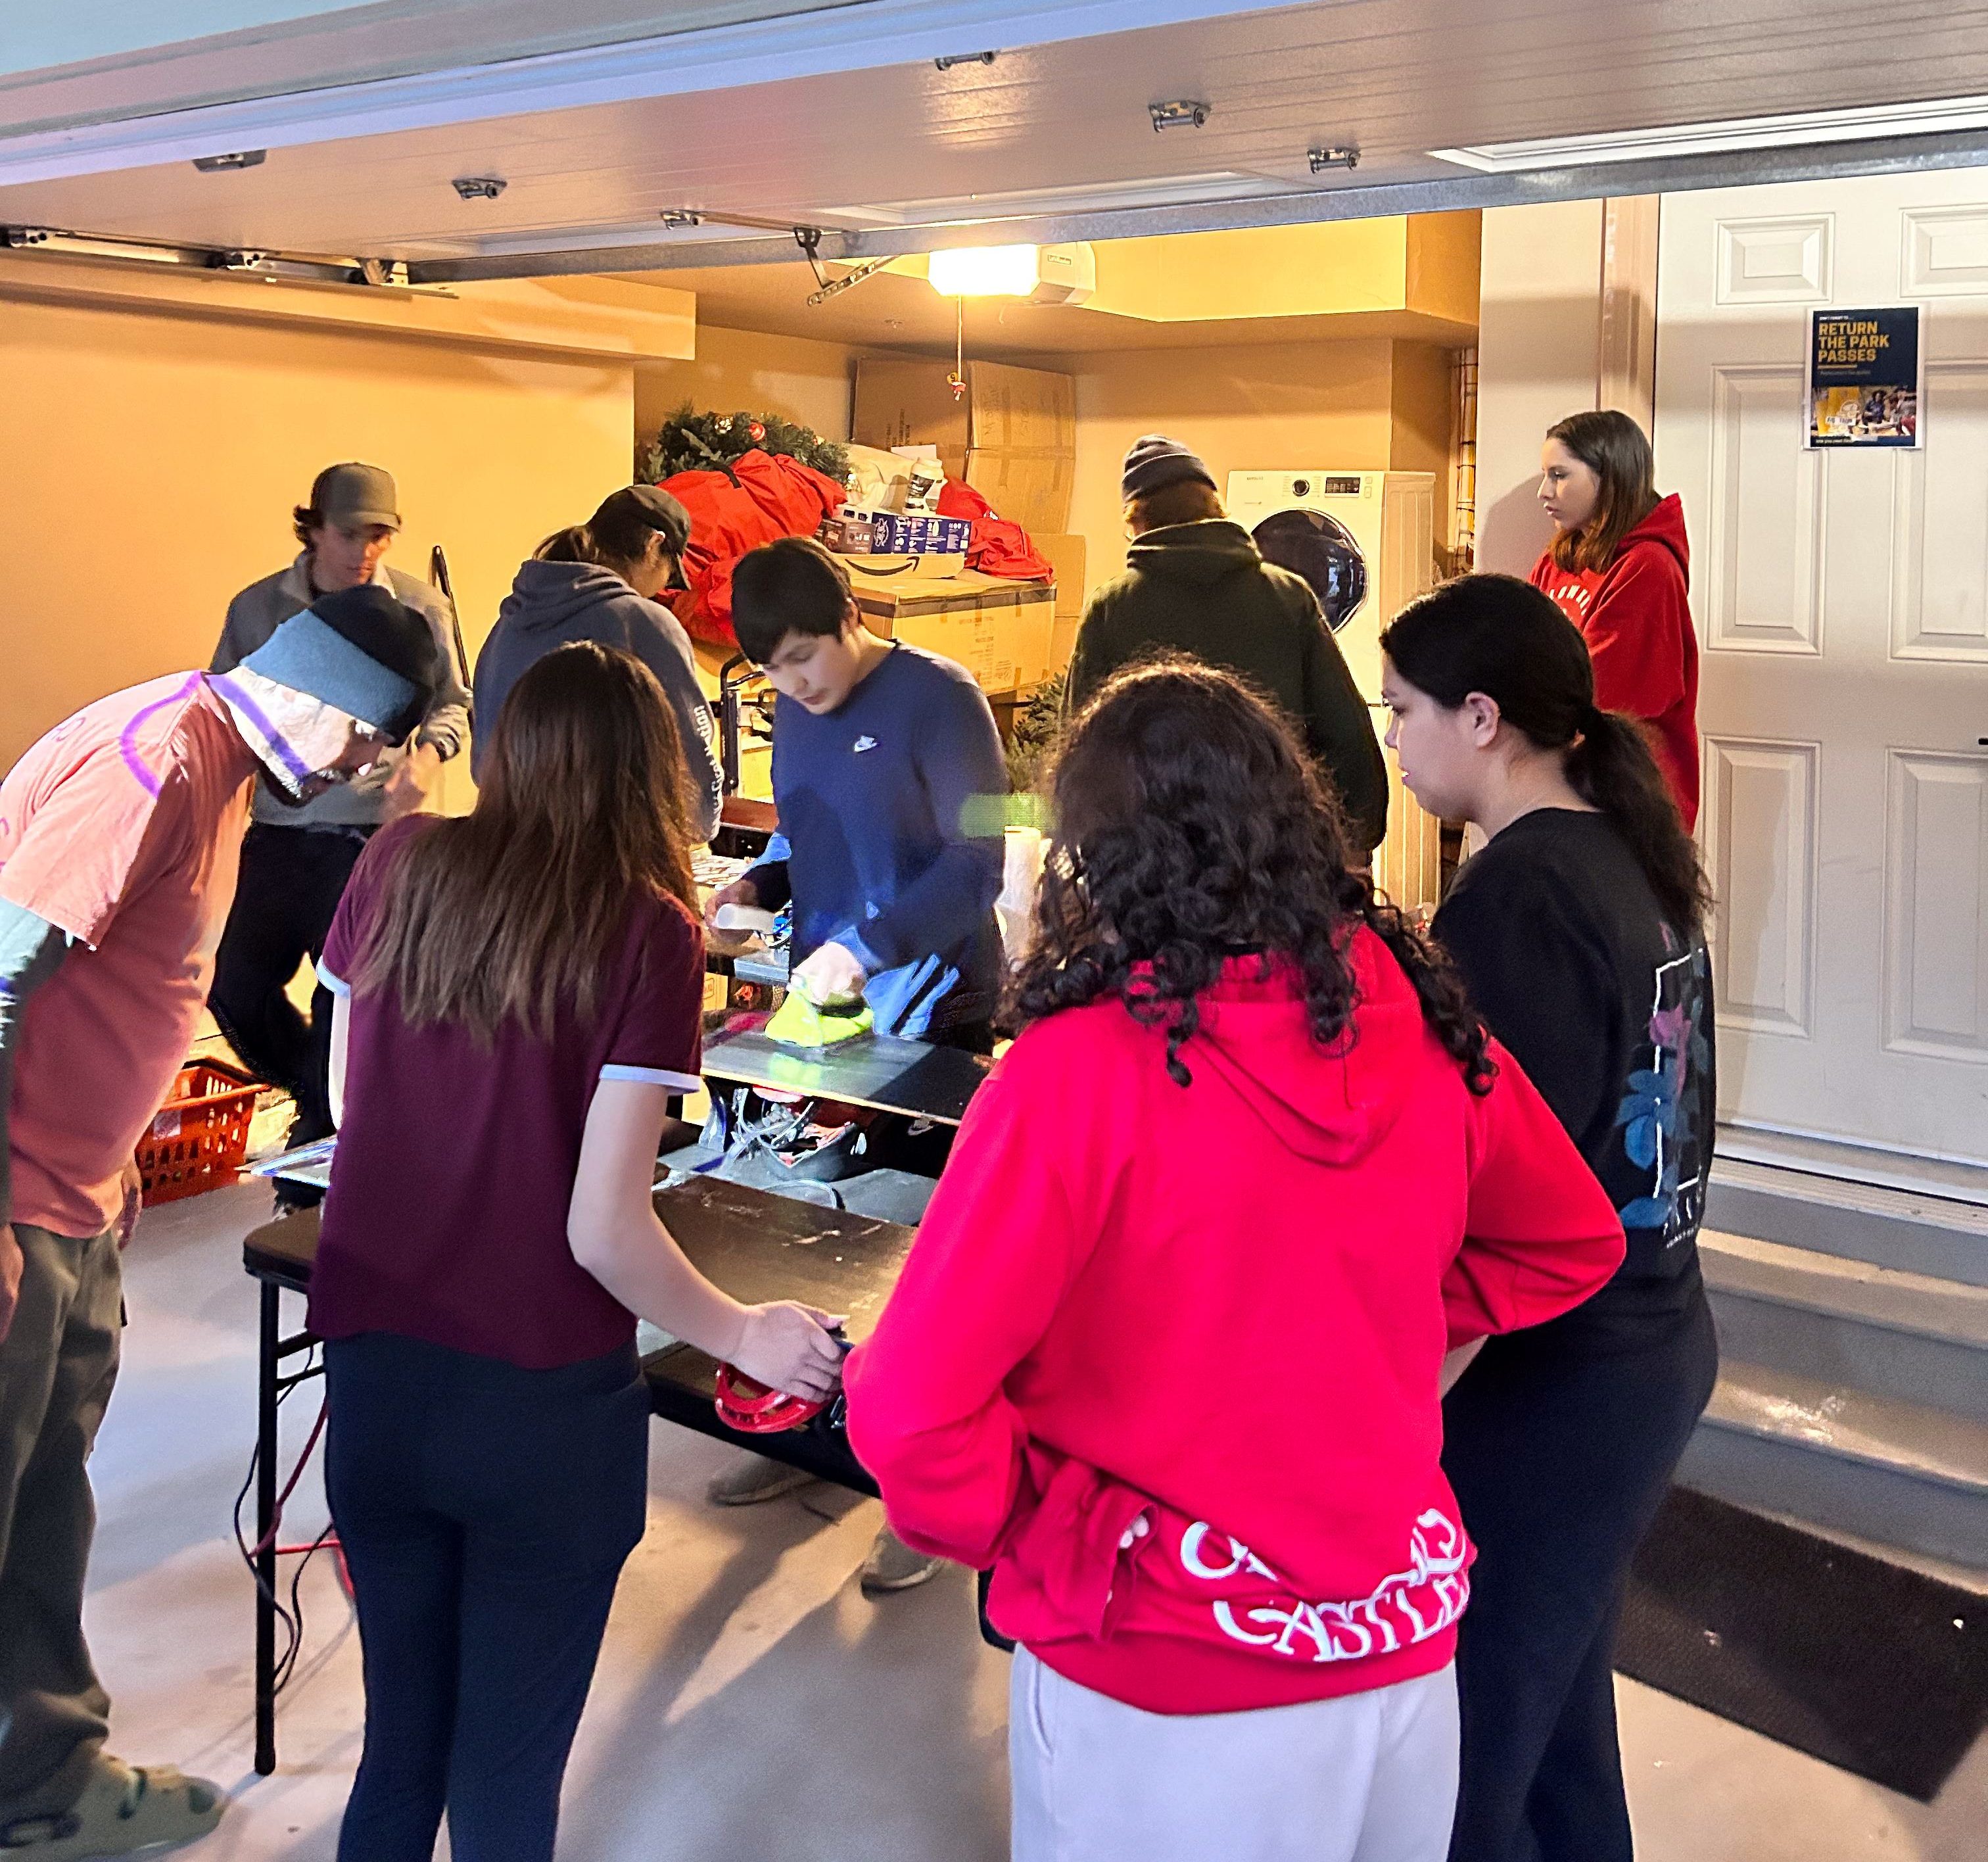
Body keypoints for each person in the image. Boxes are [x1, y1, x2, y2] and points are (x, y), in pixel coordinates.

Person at [845, 661, 1628, 1862]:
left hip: (1169, 1676)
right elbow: (1567, 1236)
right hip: (1400, 1654)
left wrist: (1039, 1527)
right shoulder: (1408, 1014)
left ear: (1098, 856)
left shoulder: (1080, 1069)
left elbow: (905, 1405)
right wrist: (1392, 1337)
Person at [310, 642, 844, 1862]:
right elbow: (602, 1229)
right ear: (652, 773)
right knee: (504, 1776)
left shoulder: (398, 859)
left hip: (376, 1380)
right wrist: (743, 1329)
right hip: (538, 1411)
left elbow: (349, 1104)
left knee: (400, 1749)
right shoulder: (646, 929)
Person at [0, 587, 448, 1859]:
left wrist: (114, 1141)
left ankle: (41, 1780)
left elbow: (111, 979)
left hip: (72, 1191)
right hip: (14, 1198)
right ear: (325, 698)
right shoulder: (151, 764)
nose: (370, 770)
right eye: (373, 742)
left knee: (42, 1503)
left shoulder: (222, 768)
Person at [1378, 575, 1720, 1862]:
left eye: (1404, 710)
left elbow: (1486, 1202)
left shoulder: (1519, 902)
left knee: (1467, 1747)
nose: (1393, 740)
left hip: (1560, 1378)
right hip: (1645, 1347)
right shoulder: (1620, 848)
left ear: (1482, 717)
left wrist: (1399, 1399)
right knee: (1557, 1723)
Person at [699, 535, 1006, 1591]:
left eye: (803, 660)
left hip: (935, 1002)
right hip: (830, 1007)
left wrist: (868, 946)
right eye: (773, 672)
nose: (794, 687)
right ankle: (812, 1436)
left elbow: (982, 861)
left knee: (920, 1268)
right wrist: (762, 889)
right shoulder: (796, 707)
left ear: (846, 621)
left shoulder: (941, 697)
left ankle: (921, 1498)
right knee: (813, 1242)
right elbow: (803, 833)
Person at [209, 462, 472, 1193]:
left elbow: (454, 703)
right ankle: (320, 1105)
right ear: (314, 528)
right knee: (231, 981)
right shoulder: (257, 608)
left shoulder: (420, 607)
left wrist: (428, 753)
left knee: (345, 995)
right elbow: (230, 710)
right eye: (350, 534)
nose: (365, 552)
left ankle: (323, 1145)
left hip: (372, 834)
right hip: (282, 826)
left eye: (380, 536)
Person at [1064, 434, 1388, 854]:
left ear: (1136, 522)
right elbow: (1344, 730)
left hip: (1155, 860)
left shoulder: (1111, 609)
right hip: (1274, 849)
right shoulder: (1287, 597)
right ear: (1215, 510)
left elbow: (1082, 752)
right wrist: (1357, 839)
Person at [473, 484, 721, 842]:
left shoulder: (508, 623)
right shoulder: (644, 622)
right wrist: (702, 826)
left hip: (510, 851)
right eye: (669, 571)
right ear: (654, 545)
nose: (663, 586)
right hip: (609, 857)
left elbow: (483, 758)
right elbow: (689, 747)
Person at [1530, 411, 1700, 829]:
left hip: (1627, 793)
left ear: (1609, 478)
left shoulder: (1649, 567)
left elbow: (1602, 692)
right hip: (1568, 782)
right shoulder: (1560, 559)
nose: (1543, 491)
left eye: (1559, 475)